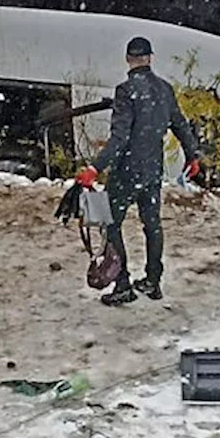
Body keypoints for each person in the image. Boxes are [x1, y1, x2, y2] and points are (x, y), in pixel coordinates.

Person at [75, 37, 202, 306]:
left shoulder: (126, 91)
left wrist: (95, 168)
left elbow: (119, 138)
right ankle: (153, 281)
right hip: (152, 170)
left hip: (127, 171)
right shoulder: (164, 89)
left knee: (111, 224)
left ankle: (122, 284)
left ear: (128, 59)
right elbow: (180, 125)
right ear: (150, 58)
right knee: (152, 225)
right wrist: (193, 155)